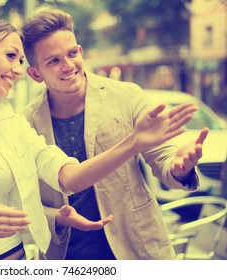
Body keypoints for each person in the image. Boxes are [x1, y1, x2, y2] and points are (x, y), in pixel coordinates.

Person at [0, 16, 197, 261]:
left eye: (19, 60)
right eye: (11, 57)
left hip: (35, 259)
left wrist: (139, 146)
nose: (16, 68)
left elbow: (68, 178)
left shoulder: (10, 123)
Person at [20, 8, 209, 260]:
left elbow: (163, 160)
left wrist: (179, 167)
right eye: (53, 61)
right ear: (35, 74)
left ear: (80, 51)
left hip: (137, 248)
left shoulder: (127, 96)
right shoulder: (25, 122)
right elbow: (23, 201)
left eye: (72, 53)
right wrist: (56, 217)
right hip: (67, 256)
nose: (68, 66)